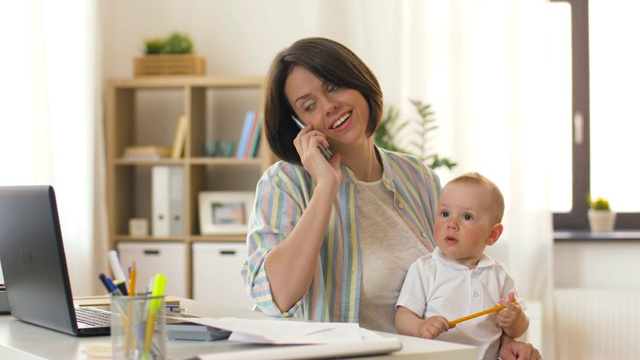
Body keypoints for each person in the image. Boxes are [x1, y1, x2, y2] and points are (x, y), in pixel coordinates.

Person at [240, 37, 541, 359]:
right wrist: (325, 185)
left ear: (358, 82)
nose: (329, 106)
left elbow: (458, 277)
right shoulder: (284, 183)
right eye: (309, 105)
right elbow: (278, 296)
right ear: (300, 125)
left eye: (333, 87)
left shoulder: (418, 176)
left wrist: (505, 341)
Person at [395, 172, 529, 360]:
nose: (451, 224)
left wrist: (516, 320)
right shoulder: (425, 269)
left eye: (466, 216)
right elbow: (403, 316)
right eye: (445, 214)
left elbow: (515, 332)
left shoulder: (499, 275)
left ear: (493, 234)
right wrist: (419, 327)